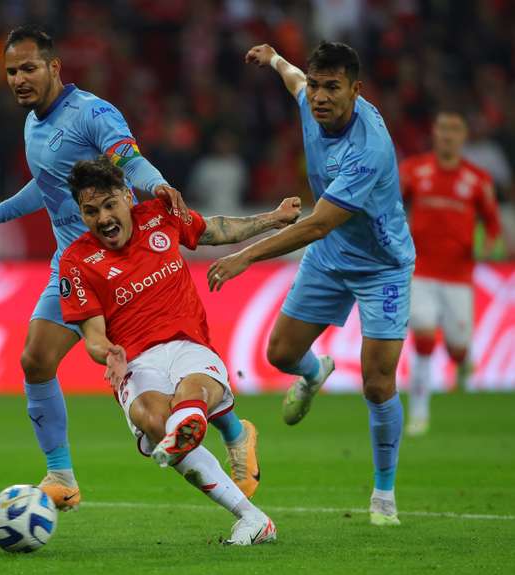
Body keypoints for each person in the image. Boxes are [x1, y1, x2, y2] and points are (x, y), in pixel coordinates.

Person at [0, 25, 268, 510]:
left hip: (118, 255)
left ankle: (233, 430)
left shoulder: (92, 113)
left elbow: (129, 158)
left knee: (162, 356)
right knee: (35, 360)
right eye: (12, 71)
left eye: (29, 68)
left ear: (54, 67)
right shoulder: (32, 124)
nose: (19, 79)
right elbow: (47, 185)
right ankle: (61, 476)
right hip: (75, 262)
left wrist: (158, 185)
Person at [210, 42, 416, 526]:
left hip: (381, 265)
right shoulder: (311, 98)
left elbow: (315, 224)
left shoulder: (369, 148)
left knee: (377, 381)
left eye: (333, 87)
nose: (320, 96)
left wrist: (245, 255)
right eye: (319, 85)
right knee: (278, 353)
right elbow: (296, 81)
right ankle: (312, 371)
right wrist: (276, 58)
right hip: (331, 257)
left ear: (356, 90)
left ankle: (383, 495)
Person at [59, 156, 301, 544]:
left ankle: (191, 431)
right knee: (154, 421)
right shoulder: (77, 262)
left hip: (189, 344)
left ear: (126, 196)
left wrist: (273, 218)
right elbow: (93, 336)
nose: (103, 218)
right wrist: (110, 354)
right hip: (136, 360)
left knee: (194, 392)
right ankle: (252, 517)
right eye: (90, 211)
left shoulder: (160, 215)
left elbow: (218, 230)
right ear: (81, 213)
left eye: (109, 205)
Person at [399, 110, 503, 436]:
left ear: (463, 137)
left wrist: (488, 248)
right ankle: (418, 414)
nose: (447, 136)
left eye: (454, 130)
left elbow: (494, 224)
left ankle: (463, 360)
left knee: (457, 347)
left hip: (459, 278)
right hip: (422, 272)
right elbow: (389, 206)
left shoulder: (477, 179)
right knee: (424, 337)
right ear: (434, 133)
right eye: (442, 129)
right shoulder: (415, 170)